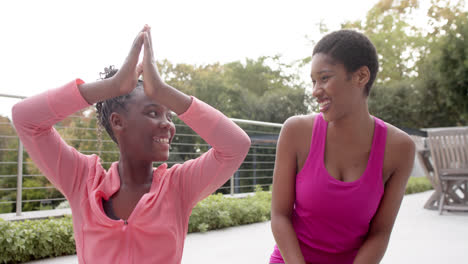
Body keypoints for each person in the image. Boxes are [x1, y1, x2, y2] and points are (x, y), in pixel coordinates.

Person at [12, 25, 251, 264]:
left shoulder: (178, 186)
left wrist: (162, 90)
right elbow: (26, 118)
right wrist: (113, 86)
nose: (167, 124)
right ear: (118, 122)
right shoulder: (82, 181)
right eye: (153, 112)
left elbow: (236, 145)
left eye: (169, 115)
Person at [269, 29, 415, 264]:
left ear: (361, 76)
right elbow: (279, 217)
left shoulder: (400, 148)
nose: (316, 91)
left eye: (324, 78)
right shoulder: (296, 131)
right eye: (313, 81)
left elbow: (380, 232)